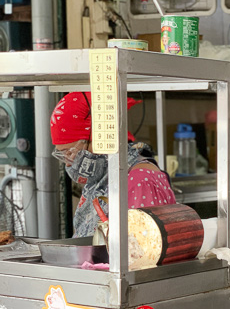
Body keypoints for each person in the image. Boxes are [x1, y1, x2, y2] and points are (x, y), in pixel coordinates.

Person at [50, 92, 176, 237]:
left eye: (71, 152)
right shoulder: (100, 180)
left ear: (99, 138)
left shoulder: (140, 181)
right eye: (62, 154)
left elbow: (144, 252)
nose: (69, 162)